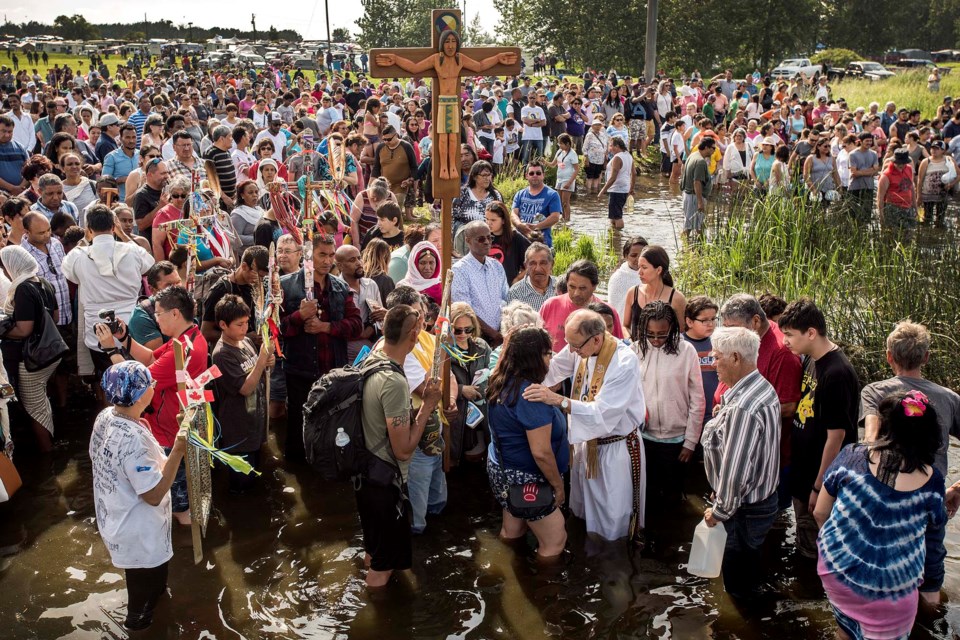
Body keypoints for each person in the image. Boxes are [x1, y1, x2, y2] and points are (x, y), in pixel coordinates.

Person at [814, 390, 946, 639]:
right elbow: (934, 529)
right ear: (929, 434)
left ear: (885, 425)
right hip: (889, 596)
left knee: (845, 629)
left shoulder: (852, 456)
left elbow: (821, 512)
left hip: (836, 573)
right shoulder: (932, 482)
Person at [524, 309, 646, 542]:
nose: (571, 351)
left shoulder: (624, 362)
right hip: (585, 444)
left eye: (576, 346)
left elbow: (603, 412)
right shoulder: (581, 347)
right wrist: (521, 382)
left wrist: (558, 400)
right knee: (582, 512)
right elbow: (553, 370)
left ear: (597, 339)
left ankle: (613, 567)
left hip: (614, 448)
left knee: (612, 519)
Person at [95, 286, 208, 526]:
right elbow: (150, 358)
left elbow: (136, 383)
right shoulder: (190, 336)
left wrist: (110, 349)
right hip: (173, 423)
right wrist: (125, 338)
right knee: (183, 494)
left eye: (158, 314)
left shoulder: (184, 350)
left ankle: (184, 545)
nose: (156, 319)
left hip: (169, 430)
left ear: (175, 313)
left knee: (179, 507)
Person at [89, 361, 187, 631]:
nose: (154, 387)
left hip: (117, 516)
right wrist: (178, 449)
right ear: (141, 393)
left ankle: (158, 607)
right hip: (139, 530)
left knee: (156, 584)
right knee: (141, 608)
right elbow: (154, 495)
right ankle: (139, 630)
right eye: (150, 384)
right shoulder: (133, 440)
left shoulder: (107, 416)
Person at [357, 304, 441, 588]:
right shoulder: (394, 382)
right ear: (415, 335)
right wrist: (428, 405)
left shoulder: (374, 357)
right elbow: (403, 449)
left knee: (374, 552)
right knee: (383, 568)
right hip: (385, 482)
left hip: (365, 475)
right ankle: (377, 620)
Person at [701, 327, 781, 599]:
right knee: (752, 564)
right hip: (764, 497)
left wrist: (719, 511)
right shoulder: (762, 385)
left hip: (745, 508)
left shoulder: (742, 408)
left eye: (717, 357)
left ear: (735, 358)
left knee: (737, 581)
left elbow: (736, 473)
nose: (713, 363)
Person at [778, 297, 859, 560]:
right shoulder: (810, 360)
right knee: (804, 534)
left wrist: (819, 487)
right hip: (803, 472)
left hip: (819, 479)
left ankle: (812, 594)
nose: (785, 341)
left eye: (789, 335)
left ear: (811, 332)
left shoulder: (836, 373)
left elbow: (836, 438)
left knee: (815, 547)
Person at [279, 234, 363, 462]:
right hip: (300, 369)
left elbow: (356, 325)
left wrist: (326, 327)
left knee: (332, 421)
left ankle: (328, 464)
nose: (327, 261)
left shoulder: (340, 287)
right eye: (322, 255)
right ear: (309, 255)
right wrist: (299, 316)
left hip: (332, 369)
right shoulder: (286, 285)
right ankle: (298, 469)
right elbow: (275, 331)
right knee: (298, 420)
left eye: (331, 255)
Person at [487, 326, 568, 558]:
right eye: (548, 353)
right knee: (555, 541)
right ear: (534, 357)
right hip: (527, 479)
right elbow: (541, 452)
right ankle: (543, 589)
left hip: (502, 471)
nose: (550, 359)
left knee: (513, 531)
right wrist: (558, 486)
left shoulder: (500, 380)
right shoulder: (530, 397)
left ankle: (509, 572)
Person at [381, 286, 452, 535]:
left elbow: (446, 372)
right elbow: (426, 391)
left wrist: (451, 398)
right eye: (416, 314)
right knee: (417, 503)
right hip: (415, 434)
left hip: (433, 429)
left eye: (422, 313)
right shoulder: (399, 350)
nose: (423, 319)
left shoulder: (425, 338)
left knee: (436, 494)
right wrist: (441, 395)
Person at [62, 205, 154, 378]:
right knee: (139, 378)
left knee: (108, 379)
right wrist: (124, 236)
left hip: (98, 329)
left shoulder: (78, 255)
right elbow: (149, 265)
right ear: (114, 226)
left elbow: (68, 271)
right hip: (130, 327)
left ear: (89, 229)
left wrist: (84, 240)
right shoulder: (133, 250)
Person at [860, 321, 960, 477]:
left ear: (889, 356)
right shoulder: (950, 398)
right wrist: (957, 488)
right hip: (933, 495)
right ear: (926, 357)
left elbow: (870, 441)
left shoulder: (873, 392)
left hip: (886, 491)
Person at [632, 301, 704, 511]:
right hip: (644, 437)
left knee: (674, 496)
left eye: (662, 334)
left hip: (677, 440)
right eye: (650, 333)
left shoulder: (686, 351)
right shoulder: (635, 350)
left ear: (672, 328)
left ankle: (675, 539)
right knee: (647, 495)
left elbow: (697, 399)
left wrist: (690, 441)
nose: (655, 340)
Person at [0, 245, 61, 452]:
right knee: (41, 402)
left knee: (35, 408)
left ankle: (47, 453)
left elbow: (24, 330)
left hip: (32, 360)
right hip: (50, 353)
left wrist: (3, 330)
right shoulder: (43, 282)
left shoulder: (23, 288)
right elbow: (55, 317)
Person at [212, 295, 274, 494]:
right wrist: (263, 358)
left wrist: (266, 363)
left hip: (254, 425)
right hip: (237, 433)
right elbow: (245, 388)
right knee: (242, 487)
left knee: (256, 481)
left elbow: (257, 373)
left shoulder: (246, 341)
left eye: (247, 323)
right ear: (223, 324)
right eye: (239, 324)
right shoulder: (222, 354)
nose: (245, 328)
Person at [539, 259, 624, 352]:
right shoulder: (550, 305)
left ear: (594, 287)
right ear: (566, 283)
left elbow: (618, 348)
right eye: (572, 287)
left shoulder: (607, 313)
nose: (576, 293)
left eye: (582, 288)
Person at [448, 302, 493, 462]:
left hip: (481, 415)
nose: (463, 334)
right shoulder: (442, 350)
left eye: (468, 329)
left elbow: (493, 372)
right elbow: (436, 383)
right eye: (457, 330)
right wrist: (460, 390)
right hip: (457, 416)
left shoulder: (481, 347)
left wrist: (485, 387)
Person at [451, 221, 508, 345]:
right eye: (481, 239)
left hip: (501, 335)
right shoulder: (460, 270)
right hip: (476, 338)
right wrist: (493, 334)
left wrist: (503, 332)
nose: (487, 242)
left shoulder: (496, 266)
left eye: (489, 238)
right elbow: (466, 312)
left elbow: (505, 299)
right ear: (468, 241)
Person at [199, 245, 269, 346]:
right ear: (244, 266)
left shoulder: (256, 286)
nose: (260, 281)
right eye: (259, 276)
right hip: (228, 356)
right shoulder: (221, 290)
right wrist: (244, 338)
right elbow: (206, 332)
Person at [335, 243, 385, 363]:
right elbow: (336, 325)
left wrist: (381, 316)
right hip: (346, 345)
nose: (358, 263)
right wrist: (360, 334)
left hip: (372, 339)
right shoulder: (335, 288)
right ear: (339, 265)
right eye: (352, 260)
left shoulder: (371, 284)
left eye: (359, 258)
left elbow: (380, 319)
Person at [622, 245, 687, 335]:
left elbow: (682, 332)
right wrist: (630, 341)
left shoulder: (676, 298)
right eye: (639, 267)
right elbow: (625, 326)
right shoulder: (633, 292)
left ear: (659, 270)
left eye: (644, 267)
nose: (639, 272)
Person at [128, 261, 182, 350]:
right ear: (152, 290)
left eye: (178, 282)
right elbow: (156, 358)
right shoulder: (141, 317)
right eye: (169, 285)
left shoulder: (184, 305)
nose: (176, 289)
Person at [683, 296, 720, 427]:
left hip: (715, 415)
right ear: (689, 322)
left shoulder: (720, 343)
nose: (710, 324)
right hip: (688, 417)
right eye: (704, 320)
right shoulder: (679, 345)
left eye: (713, 319)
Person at [511, 160, 563, 247]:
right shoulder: (520, 194)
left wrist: (535, 227)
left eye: (538, 173)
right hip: (520, 243)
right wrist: (519, 225)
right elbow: (513, 214)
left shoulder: (552, 194)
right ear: (526, 176)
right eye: (531, 173)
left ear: (543, 175)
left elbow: (555, 217)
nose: (535, 175)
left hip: (542, 243)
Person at [679, 138, 716, 240]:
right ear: (706, 147)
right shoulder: (700, 162)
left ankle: (692, 247)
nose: (714, 150)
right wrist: (700, 202)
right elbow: (697, 182)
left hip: (689, 195)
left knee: (692, 225)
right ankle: (697, 248)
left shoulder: (693, 155)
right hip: (694, 197)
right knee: (693, 226)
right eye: (713, 148)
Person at [606, 236, 648, 321]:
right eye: (633, 255)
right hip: (621, 326)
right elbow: (613, 308)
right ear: (625, 256)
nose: (638, 259)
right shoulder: (617, 278)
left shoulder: (652, 275)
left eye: (641, 256)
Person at [507, 242, 557, 312]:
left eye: (543, 263)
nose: (538, 269)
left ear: (552, 264)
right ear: (526, 266)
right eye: (533, 264)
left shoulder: (562, 287)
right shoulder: (516, 293)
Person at [597, 137, 634, 229]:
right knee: (614, 216)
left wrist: (602, 191)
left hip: (617, 190)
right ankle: (614, 236)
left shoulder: (617, 158)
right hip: (624, 189)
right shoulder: (628, 155)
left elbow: (613, 177)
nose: (609, 148)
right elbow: (634, 173)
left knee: (617, 217)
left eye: (611, 146)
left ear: (617, 146)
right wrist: (631, 188)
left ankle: (618, 239)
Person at [877, 148, 917, 233]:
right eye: (898, 162)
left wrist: (915, 207)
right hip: (893, 209)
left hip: (908, 207)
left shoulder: (909, 169)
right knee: (894, 235)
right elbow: (880, 198)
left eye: (903, 163)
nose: (901, 165)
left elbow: (912, 188)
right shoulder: (886, 175)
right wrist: (881, 217)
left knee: (909, 234)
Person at [549, 133, 579, 222]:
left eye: (561, 143)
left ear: (567, 144)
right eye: (559, 143)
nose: (559, 145)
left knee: (565, 202)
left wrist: (569, 183)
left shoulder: (573, 154)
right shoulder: (559, 152)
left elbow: (576, 170)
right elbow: (552, 164)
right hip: (559, 179)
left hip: (568, 179)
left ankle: (567, 219)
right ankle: (562, 219)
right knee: (560, 202)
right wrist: (544, 162)